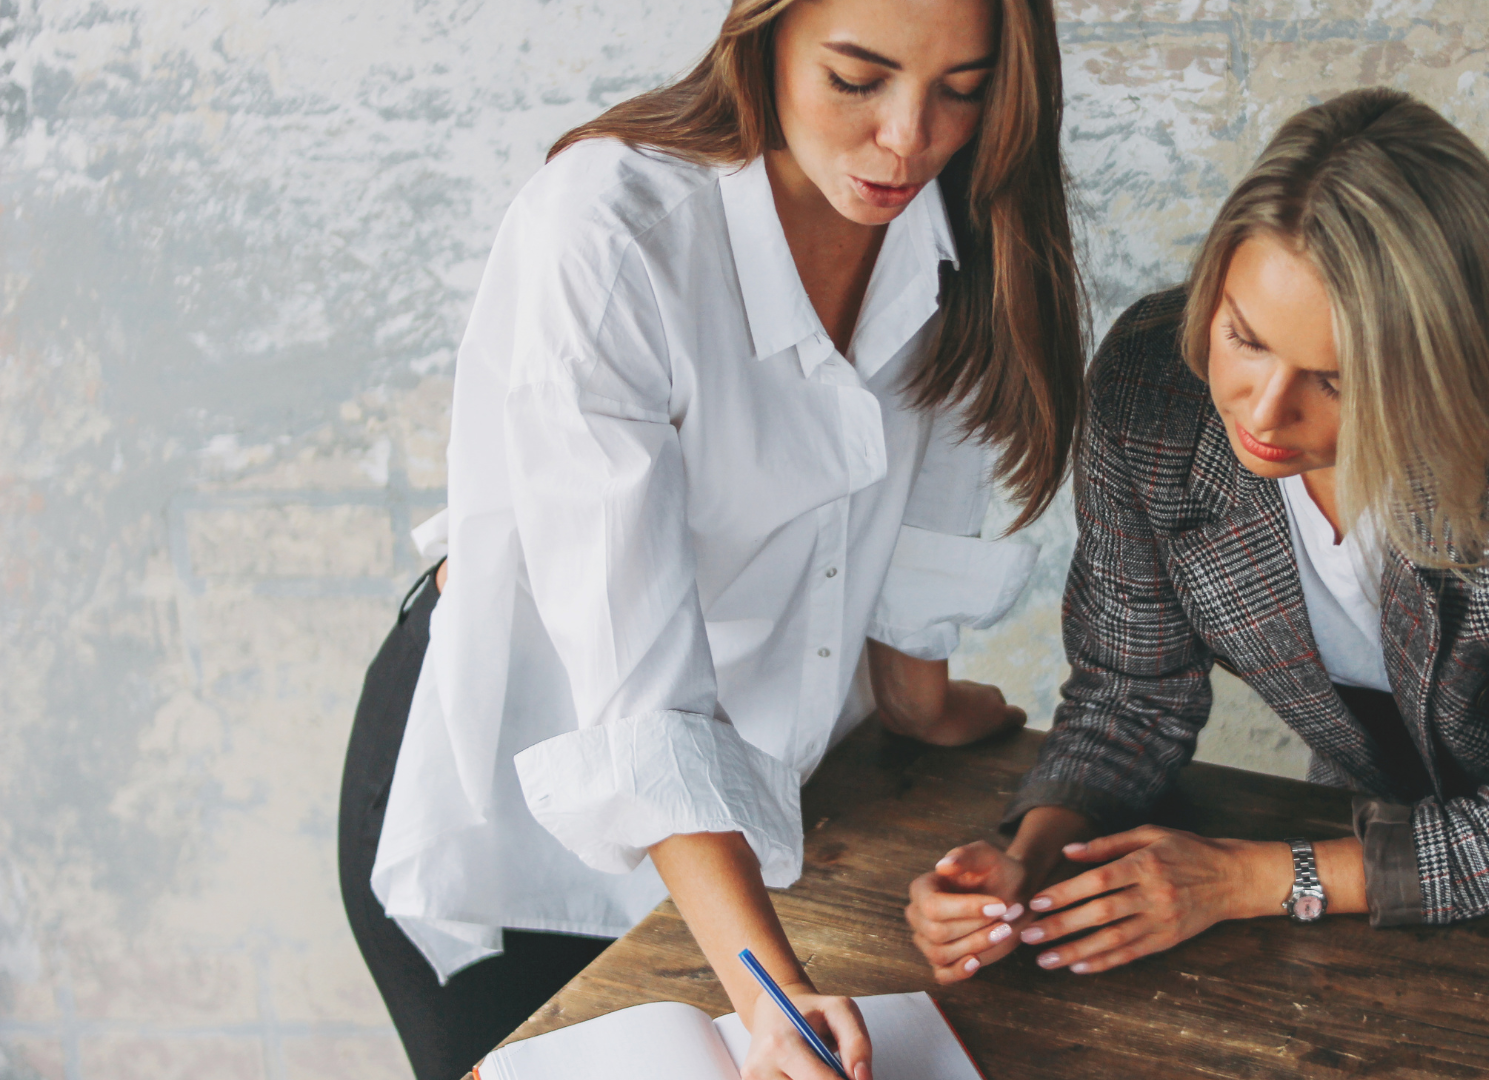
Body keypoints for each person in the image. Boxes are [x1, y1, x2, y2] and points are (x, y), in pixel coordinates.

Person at [904, 87, 1489, 983]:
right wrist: (1024, 858)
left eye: (1338, 379)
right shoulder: (1152, 390)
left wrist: (1243, 879)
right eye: (1245, 338)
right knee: (1397, 849)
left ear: (1436, 370)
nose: (1264, 414)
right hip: (1447, 665)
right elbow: (1130, 694)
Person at [336, 0, 1083, 1076]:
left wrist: (924, 704)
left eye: (961, 90)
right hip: (521, 797)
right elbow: (642, 704)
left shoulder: (967, 223)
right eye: (857, 78)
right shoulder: (608, 232)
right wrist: (775, 999)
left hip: (774, 800)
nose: (910, 139)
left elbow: (916, 519)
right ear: (763, 35)